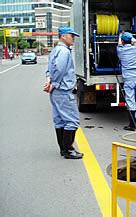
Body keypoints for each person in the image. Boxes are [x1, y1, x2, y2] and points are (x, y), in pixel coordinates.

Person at [43, 26, 83, 159]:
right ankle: (68, 150)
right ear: (63, 36)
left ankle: (63, 150)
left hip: (56, 92)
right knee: (72, 121)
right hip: (63, 91)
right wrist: (54, 84)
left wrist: (49, 82)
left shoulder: (55, 50)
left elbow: (50, 69)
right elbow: (59, 70)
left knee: (60, 121)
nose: (73, 39)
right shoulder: (64, 51)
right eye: (71, 36)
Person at [117, 32, 136, 131]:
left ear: (123, 41)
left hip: (128, 79)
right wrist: (131, 37)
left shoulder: (120, 50)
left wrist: (120, 35)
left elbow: (119, 43)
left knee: (130, 100)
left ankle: (132, 125)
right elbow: (135, 41)